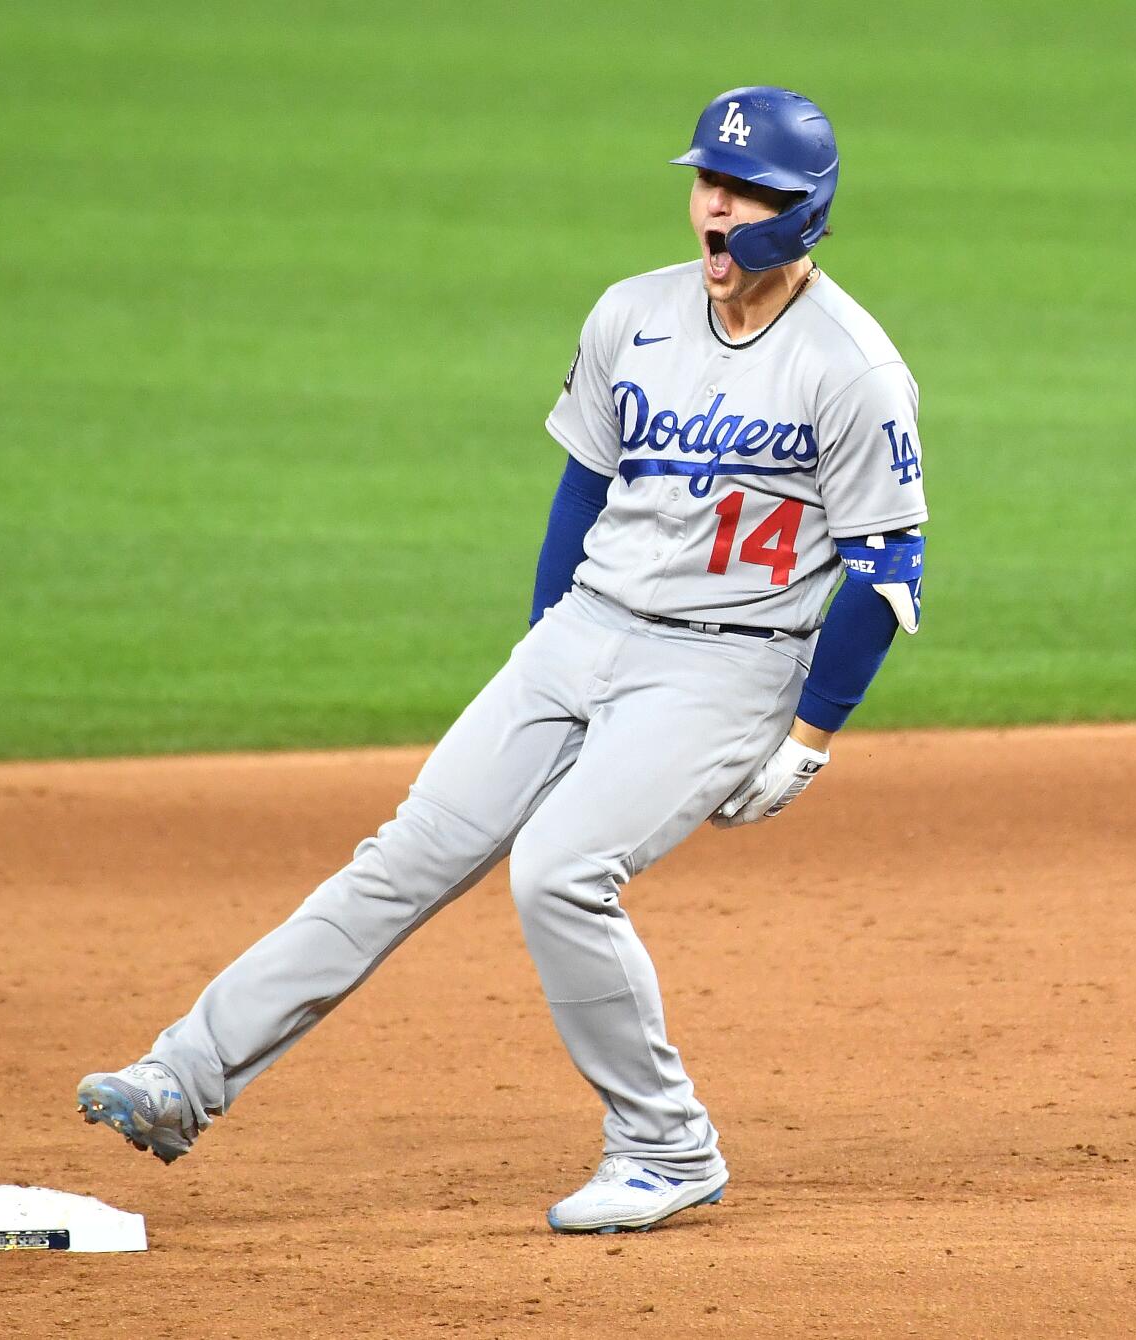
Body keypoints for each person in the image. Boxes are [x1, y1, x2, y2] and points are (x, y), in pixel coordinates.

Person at [77, 85, 928, 1235]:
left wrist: (808, 739)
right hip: (583, 629)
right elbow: (580, 486)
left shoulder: (851, 368)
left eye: (743, 196)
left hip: (722, 666)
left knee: (560, 870)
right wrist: (544, 642)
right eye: (705, 186)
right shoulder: (631, 315)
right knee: (407, 851)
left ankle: (666, 1145)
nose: (714, 214)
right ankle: (184, 1074)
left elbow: (886, 572)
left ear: (803, 213)